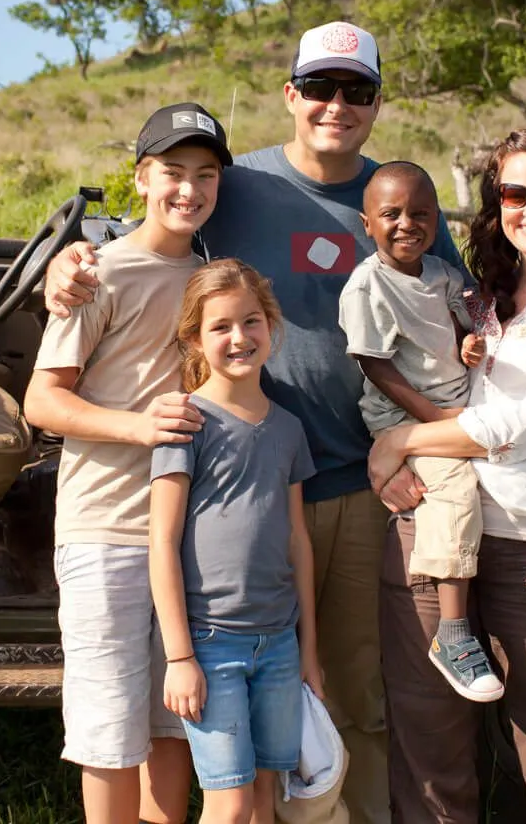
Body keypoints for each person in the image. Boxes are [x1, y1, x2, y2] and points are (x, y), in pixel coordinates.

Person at [49, 21, 457, 824]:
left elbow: (456, 305)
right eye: (320, 87)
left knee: (353, 689)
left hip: (363, 480)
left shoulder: (398, 199)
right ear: (290, 94)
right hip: (236, 485)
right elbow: (153, 228)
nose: (336, 105)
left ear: (377, 102)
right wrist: (68, 263)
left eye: (356, 90)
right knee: (236, 687)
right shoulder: (238, 186)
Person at [367, 126, 526, 822]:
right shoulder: (482, 294)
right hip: (434, 528)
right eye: (515, 193)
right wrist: (397, 449)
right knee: (428, 753)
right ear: (497, 203)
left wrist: (401, 441)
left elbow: (524, 426)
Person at [23, 101, 233, 824]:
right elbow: (43, 402)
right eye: (173, 172)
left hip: (188, 538)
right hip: (106, 529)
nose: (188, 189)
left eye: (205, 175)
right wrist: (138, 428)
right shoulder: (97, 274)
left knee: (172, 721)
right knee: (109, 730)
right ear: (141, 178)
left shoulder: (212, 280)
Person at [150, 259, 325, 824]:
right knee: (229, 805)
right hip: (210, 643)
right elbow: (162, 542)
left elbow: (297, 540)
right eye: (220, 326)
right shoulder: (186, 423)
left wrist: (308, 652)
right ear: (194, 340)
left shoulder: (289, 428)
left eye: (251, 321)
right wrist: (180, 656)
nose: (239, 337)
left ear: (270, 325)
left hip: (278, 645)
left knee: (266, 800)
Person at [336, 161, 501, 703]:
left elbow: (461, 326)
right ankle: (452, 633)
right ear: (367, 224)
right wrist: (432, 420)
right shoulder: (368, 286)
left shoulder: (442, 274)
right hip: (404, 415)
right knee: (452, 490)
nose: (407, 224)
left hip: (450, 408)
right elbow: (375, 365)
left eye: (421, 213)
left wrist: (468, 344)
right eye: (392, 214)